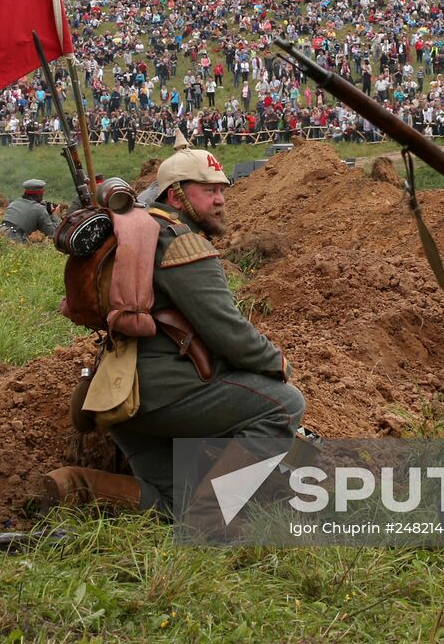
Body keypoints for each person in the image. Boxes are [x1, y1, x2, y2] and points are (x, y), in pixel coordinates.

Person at [42, 133, 305, 517]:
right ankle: (215, 517)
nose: (219, 200)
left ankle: (75, 486)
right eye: (207, 190)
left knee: (176, 505)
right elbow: (227, 330)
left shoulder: (137, 233)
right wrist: (277, 363)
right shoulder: (181, 241)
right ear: (176, 195)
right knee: (283, 405)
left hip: (118, 397)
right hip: (166, 394)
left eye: (221, 190)